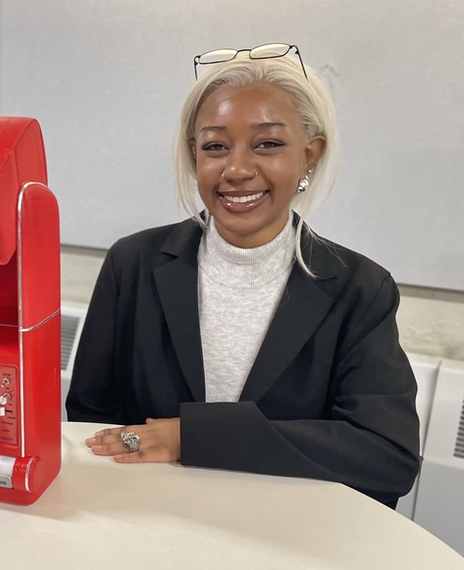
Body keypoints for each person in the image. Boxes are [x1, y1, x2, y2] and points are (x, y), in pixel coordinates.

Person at [66, 43, 420, 507]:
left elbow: (386, 455)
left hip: (287, 536)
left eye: (267, 144)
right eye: (215, 146)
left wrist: (193, 436)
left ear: (309, 155)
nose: (235, 169)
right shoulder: (133, 262)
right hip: (151, 522)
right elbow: (89, 419)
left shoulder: (360, 288)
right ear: (195, 156)